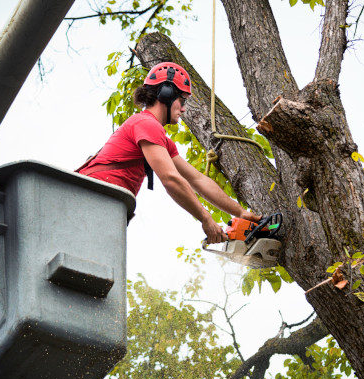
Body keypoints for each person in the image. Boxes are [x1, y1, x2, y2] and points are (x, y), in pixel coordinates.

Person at [77, 61, 260, 243]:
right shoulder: (146, 124)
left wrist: (240, 212)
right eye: (182, 100)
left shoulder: (160, 140)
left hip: (103, 204)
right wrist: (206, 219)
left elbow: (198, 180)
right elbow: (171, 179)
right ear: (166, 94)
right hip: (89, 199)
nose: (183, 108)